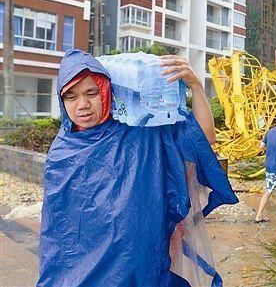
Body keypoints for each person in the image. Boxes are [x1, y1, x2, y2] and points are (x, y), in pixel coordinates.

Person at [37, 49, 238, 287]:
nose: (83, 105)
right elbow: (57, 233)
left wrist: (195, 86)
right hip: (77, 273)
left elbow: (205, 137)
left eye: (92, 93)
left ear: (105, 90)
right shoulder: (62, 151)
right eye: (71, 97)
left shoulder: (143, 130)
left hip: (139, 266)